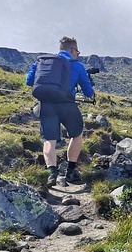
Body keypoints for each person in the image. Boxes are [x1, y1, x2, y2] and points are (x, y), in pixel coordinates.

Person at [26, 36, 95, 187]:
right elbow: (88, 93)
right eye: (77, 51)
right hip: (67, 104)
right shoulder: (76, 66)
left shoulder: (42, 62)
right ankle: (70, 171)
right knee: (76, 135)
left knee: (49, 139)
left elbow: (29, 81)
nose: (77, 54)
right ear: (72, 50)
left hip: (47, 105)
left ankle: (52, 174)